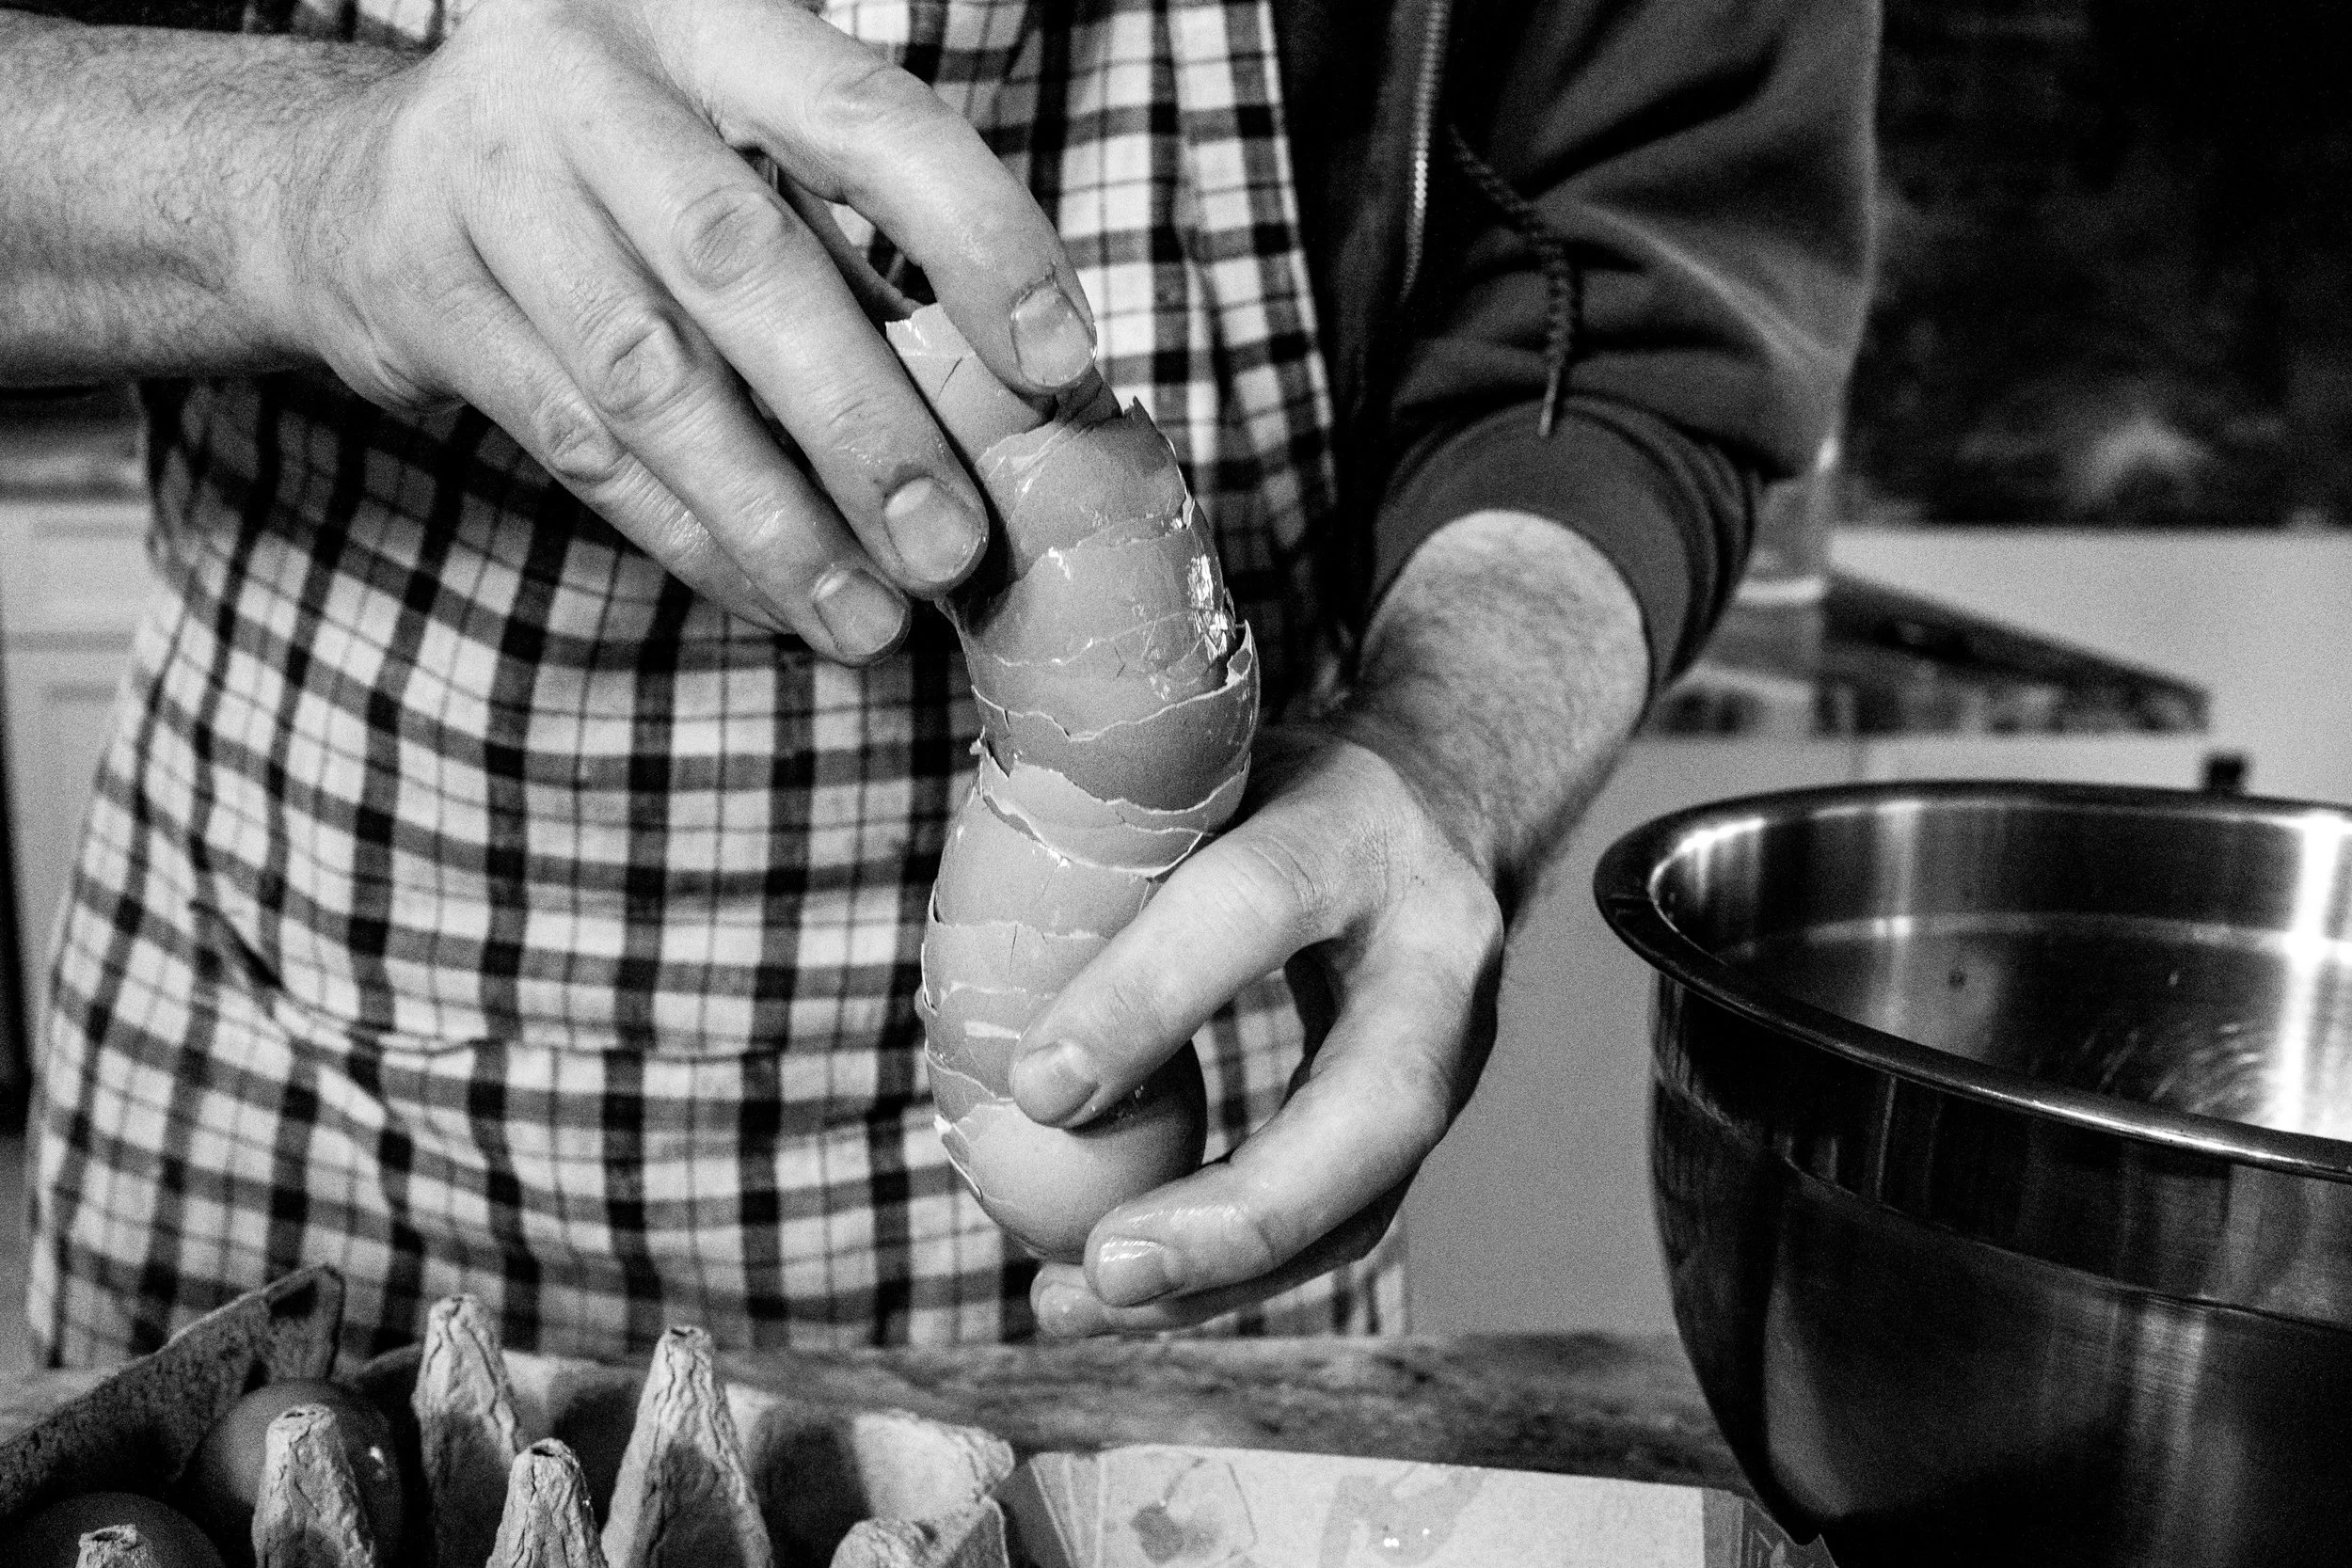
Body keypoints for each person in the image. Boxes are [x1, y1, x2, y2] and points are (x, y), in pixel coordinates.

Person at [0, 0, 1874, 1364]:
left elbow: (1652, 297)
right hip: (295, 1136)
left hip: (1182, 1165)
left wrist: (1442, 758)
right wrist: (311, 175)